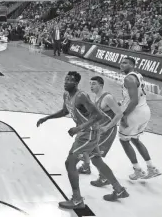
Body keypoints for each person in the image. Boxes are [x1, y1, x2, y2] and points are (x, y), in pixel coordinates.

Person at [36, 71, 128, 209]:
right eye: (65, 80)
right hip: (86, 132)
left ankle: (77, 200)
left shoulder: (81, 96)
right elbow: (64, 111)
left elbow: (98, 116)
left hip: (88, 133)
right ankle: (119, 189)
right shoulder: (66, 95)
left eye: (70, 80)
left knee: (70, 163)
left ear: (76, 83)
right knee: (97, 160)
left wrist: (79, 128)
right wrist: (46, 118)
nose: (66, 82)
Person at [118, 57, 160, 180]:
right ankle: (152, 168)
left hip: (134, 113)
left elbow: (134, 101)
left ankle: (138, 170)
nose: (122, 64)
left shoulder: (129, 78)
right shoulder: (138, 75)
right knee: (135, 139)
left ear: (132, 65)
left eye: (125, 63)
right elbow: (134, 96)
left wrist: (124, 115)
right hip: (144, 111)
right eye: (121, 62)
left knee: (124, 140)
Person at [77, 76, 123, 188]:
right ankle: (86, 167)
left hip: (108, 131)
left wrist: (107, 127)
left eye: (94, 84)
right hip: (99, 130)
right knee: (86, 149)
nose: (91, 86)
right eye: (90, 83)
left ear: (101, 85)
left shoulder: (107, 97)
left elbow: (119, 114)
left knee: (94, 154)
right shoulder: (96, 98)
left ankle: (104, 178)